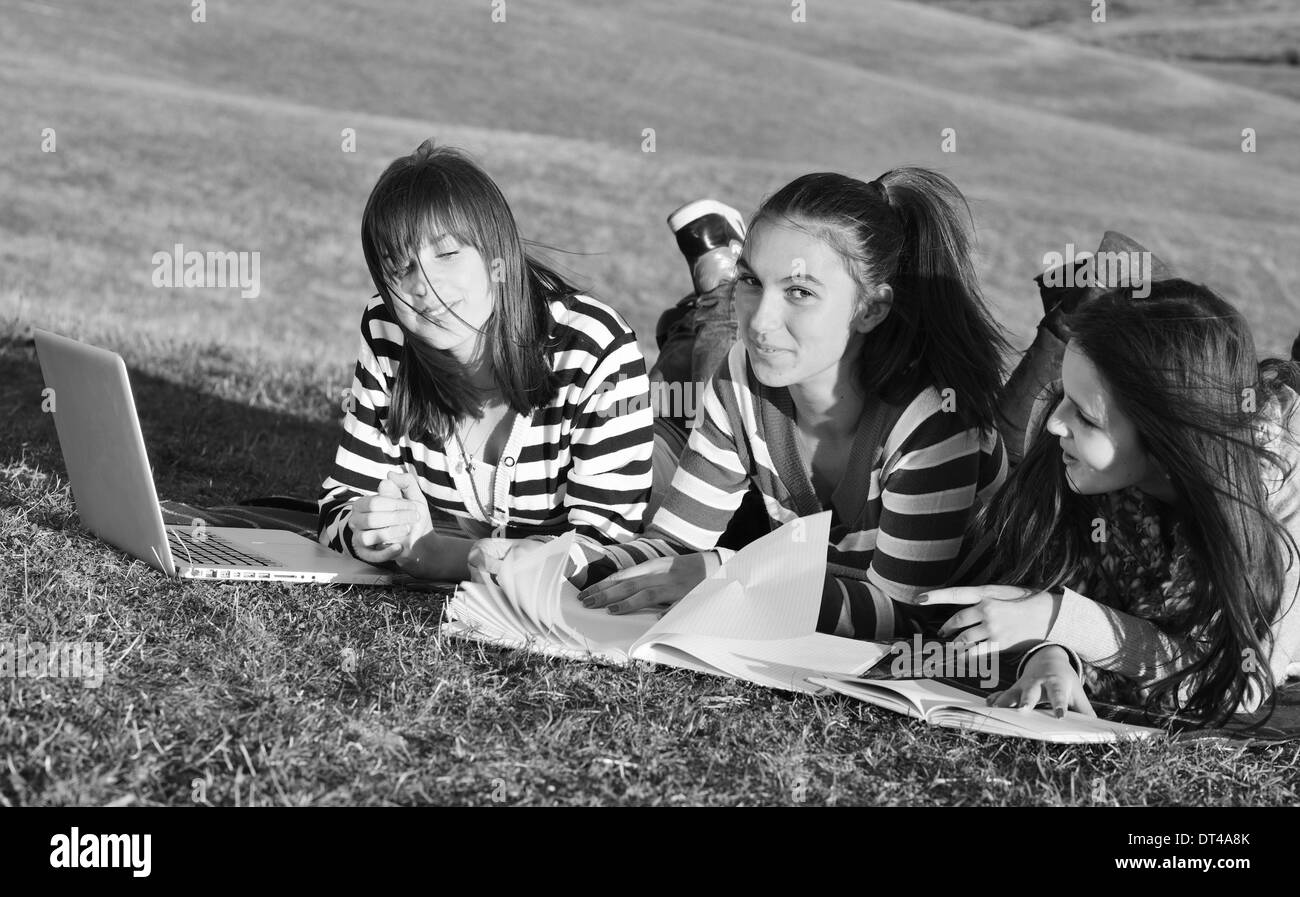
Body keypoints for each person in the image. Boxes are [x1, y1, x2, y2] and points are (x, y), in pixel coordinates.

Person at [570, 168, 1011, 640]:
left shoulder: (934, 420)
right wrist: (566, 563)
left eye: (799, 292)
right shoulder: (739, 379)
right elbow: (676, 545)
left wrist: (726, 575)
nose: (760, 320)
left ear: (872, 308)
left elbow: (903, 617)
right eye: (751, 282)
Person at [922, 279, 1300, 724]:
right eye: (1064, 396)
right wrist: (1054, 655)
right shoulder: (1067, 428)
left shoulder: (1275, 489)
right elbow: (1066, 579)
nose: (1055, 424)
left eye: (1085, 416)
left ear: (1168, 442)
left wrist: (1060, 619)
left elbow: (1239, 682)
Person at [316, 140, 655, 581]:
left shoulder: (595, 350)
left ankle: (710, 296)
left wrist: (434, 554)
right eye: (399, 267)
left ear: (496, 254)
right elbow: (337, 505)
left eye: (447, 253)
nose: (423, 287)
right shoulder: (388, 329)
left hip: (658, 454)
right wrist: (365, 531)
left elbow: (606, 552)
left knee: (695, 361)